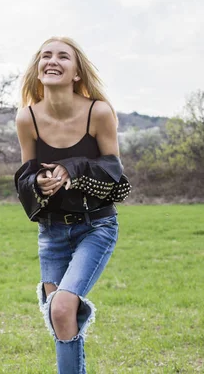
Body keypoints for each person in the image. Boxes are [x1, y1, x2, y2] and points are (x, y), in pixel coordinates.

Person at [14, 37, 131, 373]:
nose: (52, 60)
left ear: (76, 72)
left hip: (95, 226)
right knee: (59, 316)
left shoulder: (99, 111)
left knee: (63, 309)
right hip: (51, 232)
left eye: (63, 56)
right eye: (45, 56)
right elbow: (26, 174)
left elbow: (113, 171)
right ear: (38, 69)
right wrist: (37, 183)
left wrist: (73, 167)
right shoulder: (28, 119)